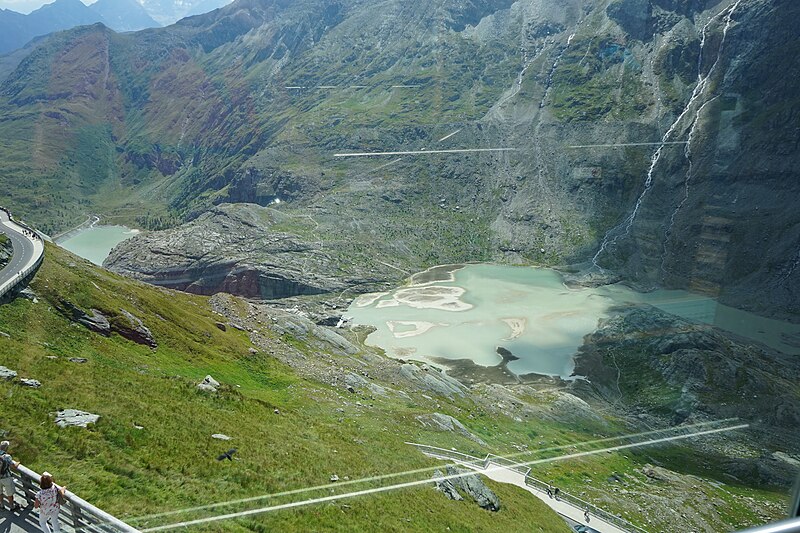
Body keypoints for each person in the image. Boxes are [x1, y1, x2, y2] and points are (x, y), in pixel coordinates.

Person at [0, 441, 20, 511]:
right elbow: (13, 466)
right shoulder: (7, 456)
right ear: (6, 448)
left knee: (0, 492)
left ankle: (1, 505)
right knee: (9, 493)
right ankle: (12, 506)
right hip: (6, 477)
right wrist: (18, 462)